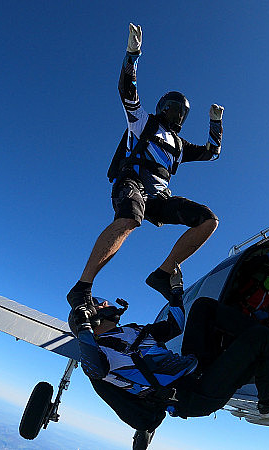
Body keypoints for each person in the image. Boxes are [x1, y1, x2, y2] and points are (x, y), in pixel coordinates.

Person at [67, 22, 224, 309]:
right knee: (129, 219)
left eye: (181, 111)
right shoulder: (143, 122)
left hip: (159, 197)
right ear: (163, 107)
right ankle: (82, 287)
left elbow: (212, 153)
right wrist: (132, 54)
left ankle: (163, 274)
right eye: (172, 108)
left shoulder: (179, 145)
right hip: (132, 183)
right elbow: (126, 90)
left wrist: (216, 124)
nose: (176, 114)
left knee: (209, 220)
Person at [69, 288, 269, 449]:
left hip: (195, 367)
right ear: (93, 321)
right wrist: (83, 327)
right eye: (98, 305)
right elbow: (93, 368)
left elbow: (175, 326)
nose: (105, 303)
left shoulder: (130, 330)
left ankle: (263, 344)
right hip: (193, 395)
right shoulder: (102, 354)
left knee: (203, 307)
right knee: (260, 337)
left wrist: (175, 294)